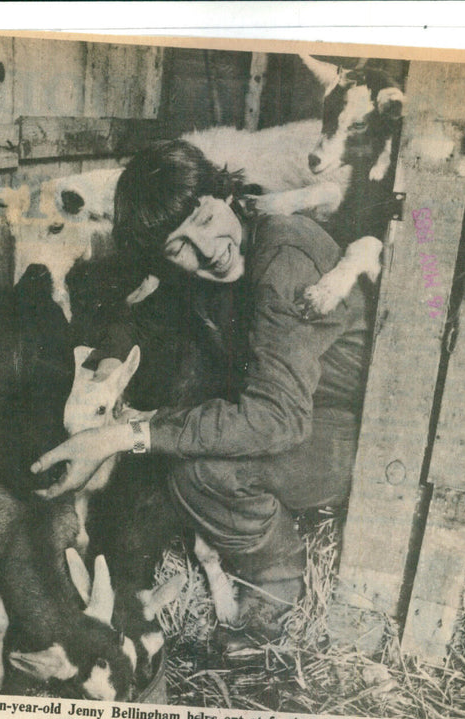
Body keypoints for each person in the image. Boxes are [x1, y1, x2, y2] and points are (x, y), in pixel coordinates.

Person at [31, 139, 372, 639]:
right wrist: (105, 372)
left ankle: (277, 581)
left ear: (226, 194)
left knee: (201, 472)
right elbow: (146, 317)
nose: (208, 249)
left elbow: (277, 420)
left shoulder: (283, 256)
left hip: (346, 432)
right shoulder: (207, 268)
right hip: (298, 410)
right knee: (187, 419)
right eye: (179, 246)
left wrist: (123, 435)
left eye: (207, 220)